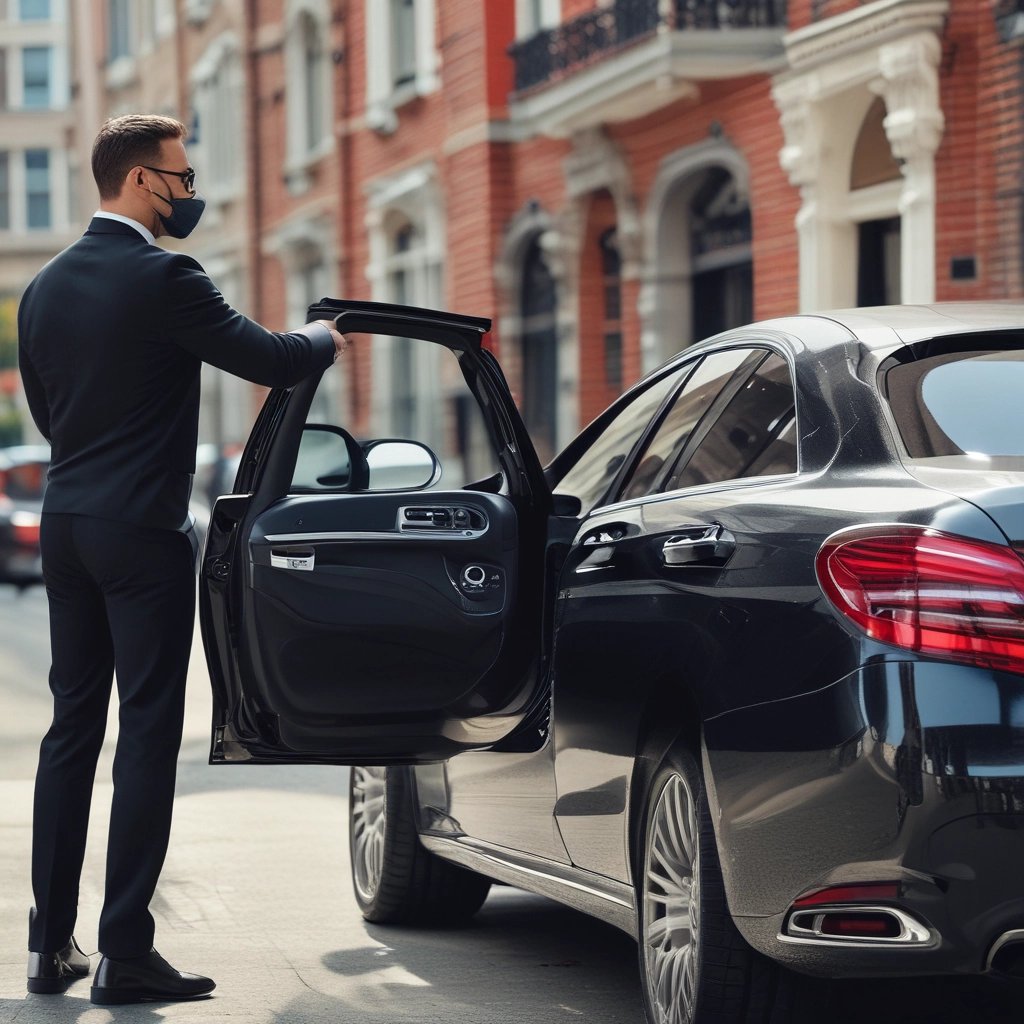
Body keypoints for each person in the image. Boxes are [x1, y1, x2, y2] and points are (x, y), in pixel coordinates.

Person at [17, 114, 347, 1004]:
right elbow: (270, 360)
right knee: (149, 732)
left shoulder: (42, 288)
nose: (191, 190)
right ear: (137, 182)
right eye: (181, 174)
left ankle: (50, 947)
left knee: (71, 728)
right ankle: (125, 950)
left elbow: (51, 419)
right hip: (143, 534)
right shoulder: (167, 275)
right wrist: (325, 338)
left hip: (68, 524)